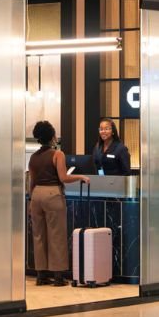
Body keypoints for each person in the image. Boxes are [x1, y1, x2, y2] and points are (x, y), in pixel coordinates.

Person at [28, 120, 90, 286]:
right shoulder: (57, 154)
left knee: (38, 235)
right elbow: (64, 178)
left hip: (36, 195)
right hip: (52, 194)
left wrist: (30, 200)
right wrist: (80, 177)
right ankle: (58, 276)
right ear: (52, 136)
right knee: (56, 235)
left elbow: (31, 182)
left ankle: (41, 275)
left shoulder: (33, 157)